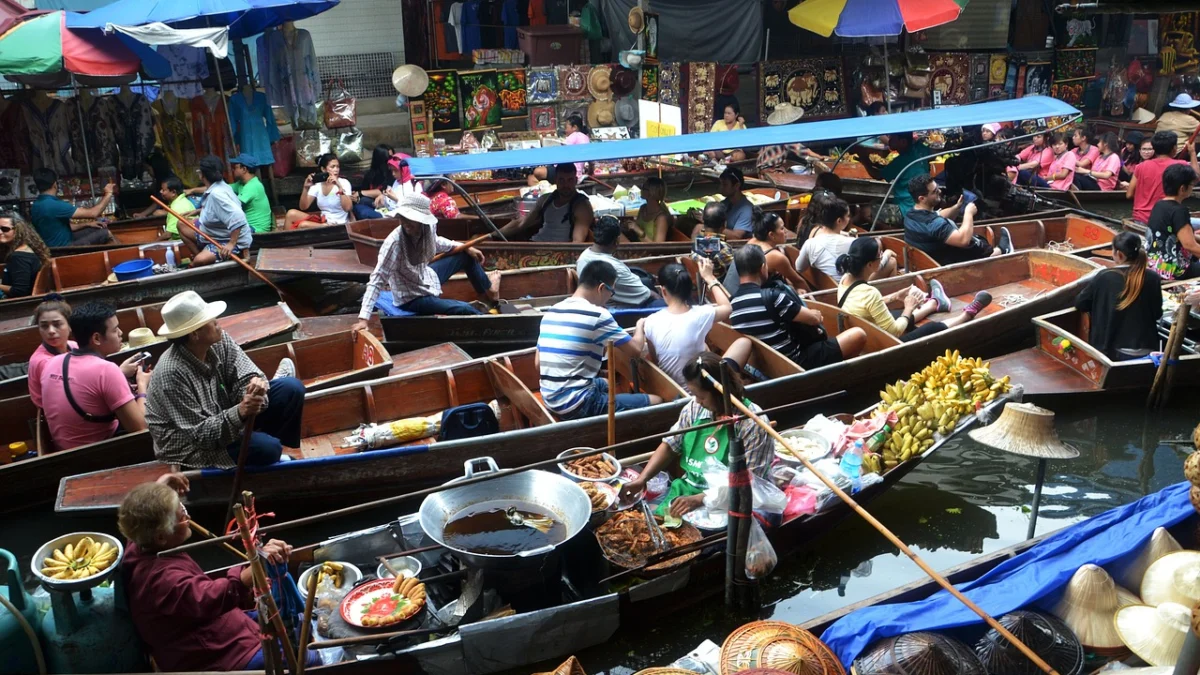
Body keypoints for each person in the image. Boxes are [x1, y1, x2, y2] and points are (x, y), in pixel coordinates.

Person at [119, 479, 315, 672]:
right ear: (161, 537)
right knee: (308, 659)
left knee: (297, 621)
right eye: (181, 515)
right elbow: (208, 597)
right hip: (214, 652)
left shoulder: (138, 542)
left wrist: (161, 486)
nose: (187, 516)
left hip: (219, 624)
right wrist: (256, 568)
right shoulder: (163, 581)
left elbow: (145, 511)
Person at [146, 290, 305, 468]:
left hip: (224, 415)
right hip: (191, 446)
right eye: (210, 320)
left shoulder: (219, 340)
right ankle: (265, 452)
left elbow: (248, 373)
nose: (217, 322)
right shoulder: (171, 373)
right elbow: (200, 436)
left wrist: (252, 387)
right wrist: (241, 410)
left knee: (291, 389)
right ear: (194, 335)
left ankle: (267, 450)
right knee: (268, 448)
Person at [620, 351, 772, 517]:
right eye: (694, 395)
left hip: (731, 501)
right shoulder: (694, 409)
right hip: (689, 488)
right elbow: (671, 445)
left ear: (720, 392)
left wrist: (700, 499)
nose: (697, 401)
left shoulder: (752, 423)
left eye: (701, 396)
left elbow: (749, 483)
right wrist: (643, 479)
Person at [536, 259, 662, 419]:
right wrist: (640, 325)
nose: (610, 298)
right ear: (602, 288)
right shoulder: (597, 315)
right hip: (576, 404)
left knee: (607, 383)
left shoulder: (552, 311)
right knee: (656, 401)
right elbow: (635, 350)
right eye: (612, 292)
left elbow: (537, 364)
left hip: (550, 398)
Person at [353, 193, 499, 323]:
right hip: (411, 297)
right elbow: (377, 280)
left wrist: (465, 246)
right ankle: (492, 323)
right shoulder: (394, 244)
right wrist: (363, 320)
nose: (405, 222)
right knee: (464, 309)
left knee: (465, 255)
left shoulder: (427, 228)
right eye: (403, 217)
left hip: (426, 277)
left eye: (410, 218)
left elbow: (436, 241)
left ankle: (488, 293)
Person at [730, 245, 866, 369]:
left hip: (768, 366)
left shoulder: (732, 304)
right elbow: (814, 319)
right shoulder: (773, 297)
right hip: (796, 363)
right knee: (858, 334)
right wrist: (815, 312)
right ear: (763, 267)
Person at [40, 302, 150, 451]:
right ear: (97, 338)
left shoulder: (52, 363)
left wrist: (119, 374)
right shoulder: (107, 370)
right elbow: (140, 430)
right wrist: (143, 385)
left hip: (63, 452)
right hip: (97, 455)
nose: (120, 333)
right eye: (115, 329)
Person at [835, 237, 991, 342]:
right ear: (869, 265)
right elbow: (895, 332)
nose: (882, 256)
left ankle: (933, 304)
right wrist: (909, 307)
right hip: (881, 343)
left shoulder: (845, 280)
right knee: (931, 328)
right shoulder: (869, 293)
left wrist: (895, 296)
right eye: (879, 255)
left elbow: (864, 305)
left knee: (895, 314)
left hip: (867, 330)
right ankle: (966, 315)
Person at [643, 260, 750, 386]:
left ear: (663, 291)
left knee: (704, 346)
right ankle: (732, 384)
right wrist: (709, 277)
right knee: (744, 343)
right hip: (703, 387)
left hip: (674, 390)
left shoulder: (651, 321)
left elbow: (656, 360)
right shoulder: (700, 314)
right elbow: (727, 308)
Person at [1075, 231, 1162, 360]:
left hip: (1112, 351)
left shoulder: (1104, 277)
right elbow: (1157, 314)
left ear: (1119, 254)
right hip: (1147, 347)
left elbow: (1080, 303)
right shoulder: (1153, 277)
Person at [904, 174, 1012, 266]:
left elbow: (939, 215)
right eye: (934, 191)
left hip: (927, 260)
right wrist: (968, 213)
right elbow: (963, 240)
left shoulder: (911, 215)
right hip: (945, 263)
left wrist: (957, 207)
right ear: (922, 198)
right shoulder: (933, 224)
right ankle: (1002, 251)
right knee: (973, 243)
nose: (940, 191)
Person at [796, 193, 894, 280]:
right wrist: (887, 254)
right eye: (847, 216)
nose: (849, 219)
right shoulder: (851, 243)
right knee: (892, 262)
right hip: (849, 289)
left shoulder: (810, 243)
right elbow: (874, 267)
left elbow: (799, 267)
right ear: (839, 221)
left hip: (828, 287)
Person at [577, 216, 661, 307]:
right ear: (616, 241)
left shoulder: (583, 256)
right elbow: (648, 295)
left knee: (643, 276)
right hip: (619, 310)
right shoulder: (615, 268)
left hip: (601, 301)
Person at [183, 156, 252, 267]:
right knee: (181, 224)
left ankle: (201, 261)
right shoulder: (219, 186)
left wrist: (231, 243)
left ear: (202, 175)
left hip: (227, 240)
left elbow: (238, 216)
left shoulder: (217, 194)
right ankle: (202, 252)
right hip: (213, 233)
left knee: (199, 261)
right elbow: (218, 210)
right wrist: (198, 211)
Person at [499, 162, 594, 242]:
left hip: (559, 253)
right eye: (561, 180)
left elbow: (577, 242)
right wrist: (492, 235)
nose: (566, 185)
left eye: (570, 180)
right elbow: (522, 223)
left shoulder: (582, 206)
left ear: (575, 181)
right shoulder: (545, 199)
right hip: (536, 243)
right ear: (556, 180)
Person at [29, 168, 114, 247]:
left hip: (55, 245)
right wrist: (108, 194)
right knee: (106, 233)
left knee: (95, 228)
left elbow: (64, 227)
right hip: (64, 249)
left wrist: (87, 224)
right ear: (55, 184)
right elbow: (94, 213)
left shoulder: (36, 205)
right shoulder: (54, 205)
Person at [1127, 130, 1199, 224]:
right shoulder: (1180, 164)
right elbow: (1196, 177)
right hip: (1165, 218)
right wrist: (1192, 152)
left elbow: (1129, 195)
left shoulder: (1140, 166)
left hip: (1140, 218)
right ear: (1174, 148)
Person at [1146, 164, 1200, 280]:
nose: (1192, 187)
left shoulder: (1159, 205)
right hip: (1174, 269)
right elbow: (1189, 245)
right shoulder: (1179, 210)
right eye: (1191, 185)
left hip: (1155, 264)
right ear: (1182, 188)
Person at [28, 295, 74, 408]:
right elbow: (66, 395)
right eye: (44, 326)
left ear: (70, 325)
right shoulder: (43, 362)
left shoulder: (75, 346)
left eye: (57, 324)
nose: (51, 331)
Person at [743, 210, 808, 291]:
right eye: (782, 228)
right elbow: (798, 281)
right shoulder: (776, 257)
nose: (786, 231)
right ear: (771, 235)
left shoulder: (753, 240)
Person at [284, 153, 352, 229]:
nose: (336, 170)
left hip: (338, 223)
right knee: (291, 214)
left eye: (338, 167)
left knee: (303, 225)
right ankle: (285, 240)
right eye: (332, 167)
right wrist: (305, 188)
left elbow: (348, 208)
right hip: (323, 221)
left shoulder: (344, 183)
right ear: (323, 169)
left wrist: (339, 187)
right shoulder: (318, 185)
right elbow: (303, 207)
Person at [877, 132, 933, 214]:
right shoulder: (921, 149)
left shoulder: (899, 162)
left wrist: (864, 160)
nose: (889, 140)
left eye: (892, 138)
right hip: (923, 205)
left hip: (906, 208)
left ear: (903, 142)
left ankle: (896, 226)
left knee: (866, 211)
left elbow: (877, 175)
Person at [0, 211, 50, 299]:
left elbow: (20, 291)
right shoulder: (26, 248)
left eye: (5, 229)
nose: (0, 232)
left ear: (18, 230)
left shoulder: (19, 257)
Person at [228, 154, 273, 234]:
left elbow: (232, 206)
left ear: (244, 169)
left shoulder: (252, 186)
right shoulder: (241, 184)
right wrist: (198, 189)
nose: (233, 170)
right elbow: (221, 188)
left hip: (256, 230)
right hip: (249, 226)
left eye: (236, 167)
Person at [692, 201, 735, 283]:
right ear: (724, 224)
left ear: (703, 222)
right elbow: (735, 271)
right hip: (717, 288)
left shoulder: (696, 241)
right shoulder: (724, 249)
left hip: (703, 286)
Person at [354, 143, 395, 220]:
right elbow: (365, 189)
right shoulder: (371, 174)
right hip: (373, 204)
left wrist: (360, 193)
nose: (391, 160)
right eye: (389, 157)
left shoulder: (392, 173)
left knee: (363, 201)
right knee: (360, 203)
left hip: (387, 202)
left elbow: (383, 191)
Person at [628, 176, 670, 243]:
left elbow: (658, 247)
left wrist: (639, 231)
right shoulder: (643, 208)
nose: (641, 189)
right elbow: (636, 231)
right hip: (637, 245)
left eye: (643, 188)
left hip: (648, 251)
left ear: (651, 193)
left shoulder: (661, 218)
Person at [718, 167, 752, 239]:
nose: (721, 188)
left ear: (736, 186)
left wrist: (711, 226)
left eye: (725, 184)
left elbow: (736, 236)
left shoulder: (747, 210)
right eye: (720, 184)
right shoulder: (725, 203)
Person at [563, 114, 591, 179]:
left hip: (568, 171)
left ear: (574, 127)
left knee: (538, 171)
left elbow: (563, 150)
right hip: (578, 172)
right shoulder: (585, 137)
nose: (565, 130)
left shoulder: (574, 135)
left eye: (566, 127)